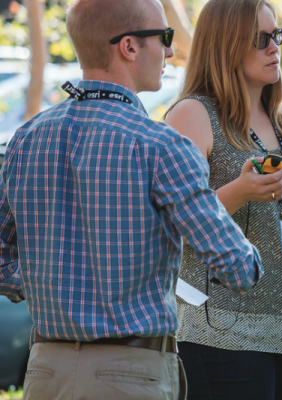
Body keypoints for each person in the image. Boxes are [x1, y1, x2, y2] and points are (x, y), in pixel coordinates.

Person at [0, 0, 264, 399]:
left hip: (45, 371)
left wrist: (42, 284)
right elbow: (238, 268)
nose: (170, 51)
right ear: (129, 46)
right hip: (130, 374)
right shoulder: (160, 146)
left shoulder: (26, 140)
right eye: (165, 37)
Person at [163, 1, 282, 399]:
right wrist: (238, 191)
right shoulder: (193, 114)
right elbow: (172, 220)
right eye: (260, 39)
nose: (274, 47)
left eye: (276, 35)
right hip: (221, 328)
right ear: (225, 45)